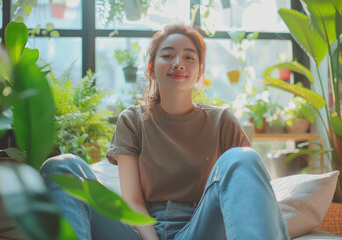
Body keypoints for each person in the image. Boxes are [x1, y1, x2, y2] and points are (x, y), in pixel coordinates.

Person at [41, 24, 289, 240]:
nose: (178, 63)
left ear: (200, 71)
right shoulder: (132, 120)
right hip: (142, 232)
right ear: (151, 67)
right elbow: (133, 201)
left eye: (189, 57)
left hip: (201, 227)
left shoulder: (222, 120)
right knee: (62, 166)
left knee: (243, 158)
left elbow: (246, 190)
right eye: (168, 55)